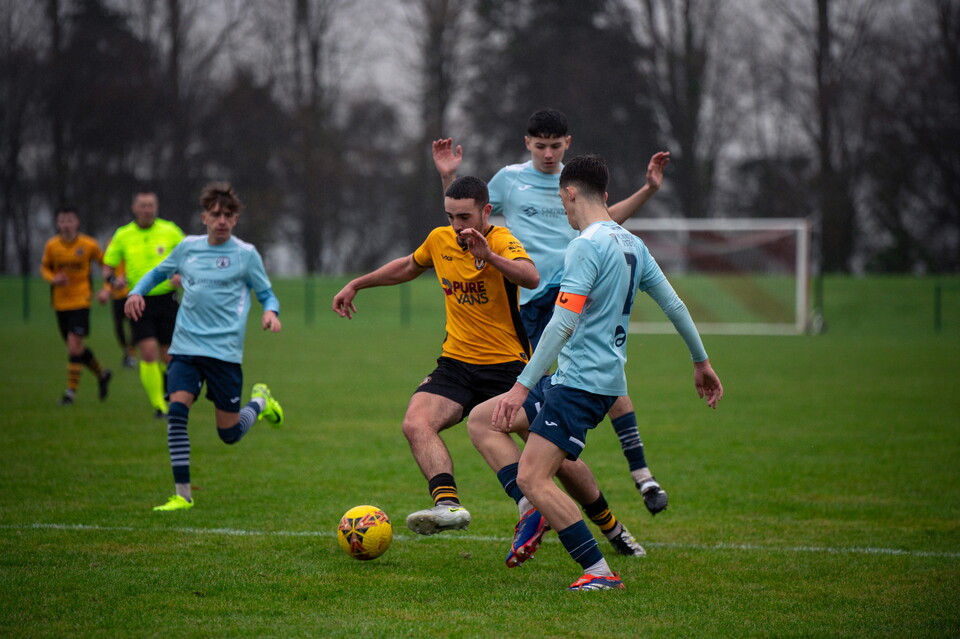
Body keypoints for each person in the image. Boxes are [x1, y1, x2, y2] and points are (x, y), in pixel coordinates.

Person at [332, 177, 646, 558]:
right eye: (450, 217)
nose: (456, 226)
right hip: (456, 364)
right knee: (416, 422)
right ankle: (453, 504)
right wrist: (357, 284)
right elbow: (408, 267)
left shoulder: (501, 240)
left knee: (561, 460)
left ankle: (612, 527)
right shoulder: (440, 239)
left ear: (486, 212)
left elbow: (530, 276)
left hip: (509, 369)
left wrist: (490, 256)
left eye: (464, 216)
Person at [481, 155, 722, 590]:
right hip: (596, 381)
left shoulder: (585, 245)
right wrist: (701, 362)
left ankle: (597, 571)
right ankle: (582, 530)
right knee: (484, 419)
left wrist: (521, 387)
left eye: (564, 202)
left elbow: (562, 323)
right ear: (606, 196)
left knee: (532, 477)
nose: (566, 212)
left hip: (579, 384)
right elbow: (675, 306)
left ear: (570, 194)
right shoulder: (633, 244)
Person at [433, 108, 673, 514]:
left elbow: (606, 220)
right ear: (527, 143)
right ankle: (553, 497)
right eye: (540, 145)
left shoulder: (574, 184)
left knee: (609, 381)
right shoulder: (509, 180)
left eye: (555, 146)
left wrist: (648, 189)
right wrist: (447, 176)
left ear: (568, 144)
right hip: (527, 305)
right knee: (533, 402)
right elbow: (470, 213)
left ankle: (643, 476)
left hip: (573, 293)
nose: (547, 153)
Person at [125, 182, 284, 512]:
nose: (222, 220)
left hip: (224, 354)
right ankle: (182, 494)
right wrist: (136, 292)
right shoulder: (188, 248)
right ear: (204, 217)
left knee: (228, 434)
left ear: (236, 219)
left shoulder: (245, 255)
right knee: (177, 412)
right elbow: (156, 274)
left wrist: (271, 311)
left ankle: (259, 402)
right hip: (185, 349)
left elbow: (266, 292)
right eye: (216, 215)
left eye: (228, 215)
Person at [103, 191, 185, 418]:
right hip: (138, 302)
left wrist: (181, 274)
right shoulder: (123, 235)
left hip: (167, 300)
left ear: (156, 207)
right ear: (134, 208)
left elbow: (190, 258)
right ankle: (159, 406)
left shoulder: (170, 231)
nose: (147, 210)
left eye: (151, 206)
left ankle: (167, 391)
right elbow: (107, 267)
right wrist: (112, 280)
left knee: (168, 355)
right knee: (148, 353)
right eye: (143, 206)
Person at [40, 206, 113, 405]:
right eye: (62, 221)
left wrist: (107, 288)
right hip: (60, 303)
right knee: (76, 348)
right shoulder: (52, 246)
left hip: (82, 301)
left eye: (69, 220)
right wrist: (53, 278)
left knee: (73, 346)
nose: (66, 224)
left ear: (77, 222)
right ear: (57, 223)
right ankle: (102, 373)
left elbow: (107, 265)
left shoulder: (88, 244)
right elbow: (44, 267)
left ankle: (70, 393)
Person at [96, 257, 138, 368]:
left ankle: (131, 355)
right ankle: (127, 351)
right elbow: (108, 269)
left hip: (133, 293)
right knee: (118, 327)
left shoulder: (136, 243)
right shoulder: (113, 244)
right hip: (117, 295)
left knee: (135, 325)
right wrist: (106, 290)